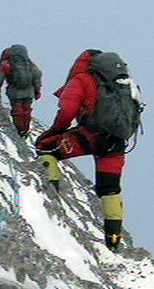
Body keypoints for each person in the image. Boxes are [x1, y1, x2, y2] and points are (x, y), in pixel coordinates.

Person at [35, 49, 142, 249]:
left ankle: (50, 191)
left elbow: (67, 111)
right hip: (116, 143)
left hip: (89, 136)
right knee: (110, 188)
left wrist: (54, 132)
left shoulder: (83, 80)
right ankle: (113, 238)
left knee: (46, 150)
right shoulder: (126, 86)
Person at [0, 44, 42, 137]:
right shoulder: (30, 65)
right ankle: (25, 130)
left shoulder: (6, 64)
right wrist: (37, 91)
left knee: (17, 110)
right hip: (29, 92)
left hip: (14, 92)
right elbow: (37, 76)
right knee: (27, 110)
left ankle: (19, 130)